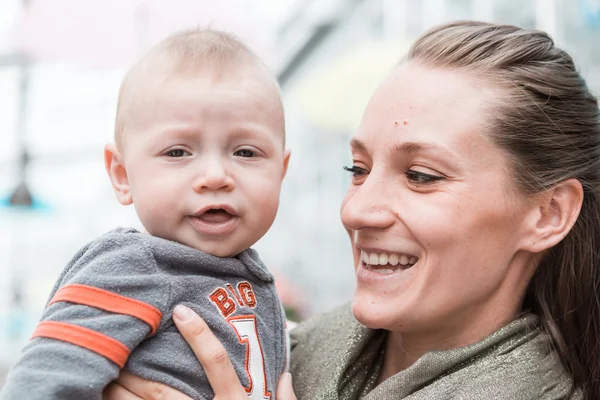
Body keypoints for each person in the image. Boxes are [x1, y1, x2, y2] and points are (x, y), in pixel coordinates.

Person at [104, 20, 600, 400]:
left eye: (421, 176)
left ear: (548, 214)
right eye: (357, 169)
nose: (358, 210)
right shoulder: (283, 349)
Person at [1, 29, 291, 400]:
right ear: (122, 176)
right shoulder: (133, 268)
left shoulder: (243, 276)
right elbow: (39, 384)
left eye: (246, 153)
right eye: (178, 152)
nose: (216, 176)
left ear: (281, 172)